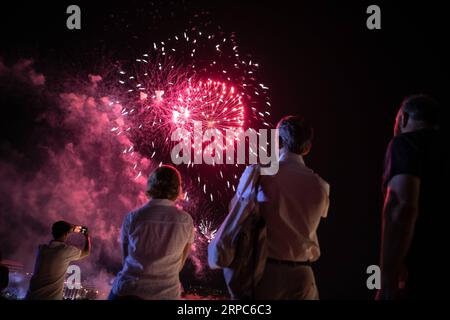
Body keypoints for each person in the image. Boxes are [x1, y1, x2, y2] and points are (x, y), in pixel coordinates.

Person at [212, 115, 330, 299]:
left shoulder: (259, 173)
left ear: (278, 141)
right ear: (307, 148)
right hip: (304, 276)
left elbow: (234, 208)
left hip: (265, 274)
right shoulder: (321, 185)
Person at [377, 94, 449, 299]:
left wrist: (387, 280)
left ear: (403, 119)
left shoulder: (405, 143)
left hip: (421, 271)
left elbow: (401, 207)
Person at [109, 165, 194, 300]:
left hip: (128, 291)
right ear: (177, 189)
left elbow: (125, 260)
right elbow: (180, 264)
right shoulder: (186, 221)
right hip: (166, 294)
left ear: (151, 186)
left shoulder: (133, 217)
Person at [26, 221, 91, 300]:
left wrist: (68, 229)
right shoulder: (65, 251)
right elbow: (86, 252)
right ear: (66, 234)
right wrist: (87, 236)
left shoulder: (41, 249)